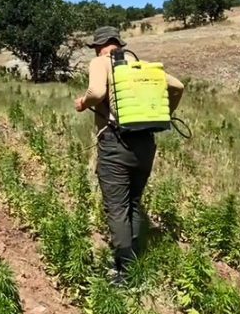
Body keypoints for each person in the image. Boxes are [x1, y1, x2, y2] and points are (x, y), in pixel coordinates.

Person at [74, 26, 184, 283]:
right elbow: (178, 86)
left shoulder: (101, 62)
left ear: (100, 46)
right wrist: (166, 113)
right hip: (145, 144)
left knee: (117, 207)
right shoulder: (141, 66)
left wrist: (82, 103)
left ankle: (124, 272)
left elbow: (97, 93)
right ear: (120, 44)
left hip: (116, 144)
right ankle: (135, 259)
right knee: (134, 202)